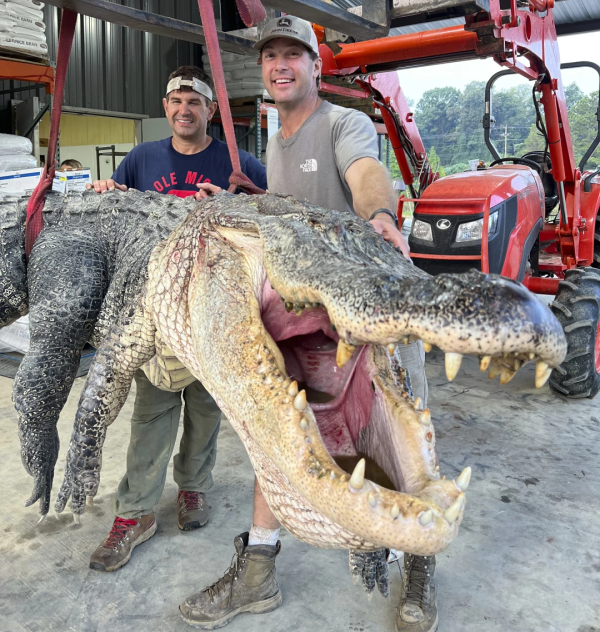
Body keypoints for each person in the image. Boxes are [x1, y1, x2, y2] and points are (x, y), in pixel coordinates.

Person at [179, 17, 434, 632]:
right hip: (311, 322)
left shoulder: (344, 123)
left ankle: (419, 559)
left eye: (294, 54)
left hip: (369, 311)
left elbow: (364, 172)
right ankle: (258, 570)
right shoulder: (275, 135)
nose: (280, 64)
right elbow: (290, 212)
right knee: (283, 432)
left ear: (317, 67)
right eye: (271, 55)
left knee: (394, 444)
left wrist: (378, 213)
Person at [85, 65, 268, 573]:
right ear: (165, 108)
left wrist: (236, 203)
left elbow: (274, 213)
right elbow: (119, 211)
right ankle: (135, 512)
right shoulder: (142, 159)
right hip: (157, 309)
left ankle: (192, 489)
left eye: (195, 102)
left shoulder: (237, 162)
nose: (184, 110)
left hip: (215, 309)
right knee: (151, 412)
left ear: (211, 110)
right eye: (175, 102)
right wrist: (106, 193)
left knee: (207, 410)